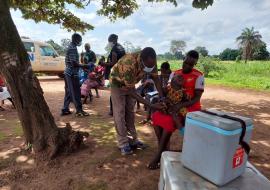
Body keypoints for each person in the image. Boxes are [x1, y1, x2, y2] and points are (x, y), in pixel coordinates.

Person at [148, 50, 204, 169]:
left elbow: (196, 99)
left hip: (189, 109)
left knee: (169, 122)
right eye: (186, 63)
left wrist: (180, 105)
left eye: (191, 64)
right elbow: (168, 91)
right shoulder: (175, 73)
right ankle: (163, 149)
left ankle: (159, 155)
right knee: (156, 116)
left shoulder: (198, 76)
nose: (187, 66)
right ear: (183, 59)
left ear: (195, 64)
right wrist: (165, 101)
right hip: (173, 105)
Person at [110, 47, 165, 155]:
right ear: (142, 61)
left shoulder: (151, 61)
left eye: (152, 66)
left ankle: (133, 140)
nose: (150, 68)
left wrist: (162, 97)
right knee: (120, 113)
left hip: (130, 83)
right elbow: (131, 92)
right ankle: (123, 143)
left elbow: (156, 79)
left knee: (130, 112)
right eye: (148, 67)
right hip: (117, 84)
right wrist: (151, 105)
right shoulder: (129, 63)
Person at [61, 33, 89, 117]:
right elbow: (74, 63)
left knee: (69, 92)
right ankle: (79, 111)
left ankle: (65, 109)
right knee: (76, 92)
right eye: (80, 40)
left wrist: (81, 67)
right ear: (76, 40)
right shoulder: (73, 48)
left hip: (67, 73)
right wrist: (84, 66)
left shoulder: (71, 46)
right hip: (72, 74)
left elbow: (73, 62)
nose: (80, 42)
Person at [105, 34, 126, 116]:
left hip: (116, 73)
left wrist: (104, 64)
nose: (109, 43)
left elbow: (113, 63)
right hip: (123, 72)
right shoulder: (122, 48)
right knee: (122, 91)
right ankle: (122, 110)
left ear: (113, 40)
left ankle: (112, 110)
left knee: (114, 92)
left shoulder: (114, 49)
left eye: (109, 41)